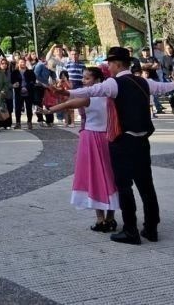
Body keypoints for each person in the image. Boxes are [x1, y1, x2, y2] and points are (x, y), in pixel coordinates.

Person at [62, 47, 174, 245]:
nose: (108, 67)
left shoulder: (114, 84)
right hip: (142, 140)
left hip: (123, 141)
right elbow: (163, 87)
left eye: (110, 63)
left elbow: (92, 90)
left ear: (116, 64)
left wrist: (68, 91)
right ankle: (151, 228)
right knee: (146, 185)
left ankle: (130, 230)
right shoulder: (143, 81)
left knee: (124, 186)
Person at [48, 67, 119, 233]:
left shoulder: (90, 97)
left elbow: (70, 102)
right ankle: (110, 218)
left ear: (97, 80)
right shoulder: (111, 95)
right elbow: (71, 95)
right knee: (110, 177)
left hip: (92, 139)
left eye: (87, 78)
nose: (84, 81)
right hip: (108, 137)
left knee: (94, 177)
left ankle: (101, 220)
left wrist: (49, 109)